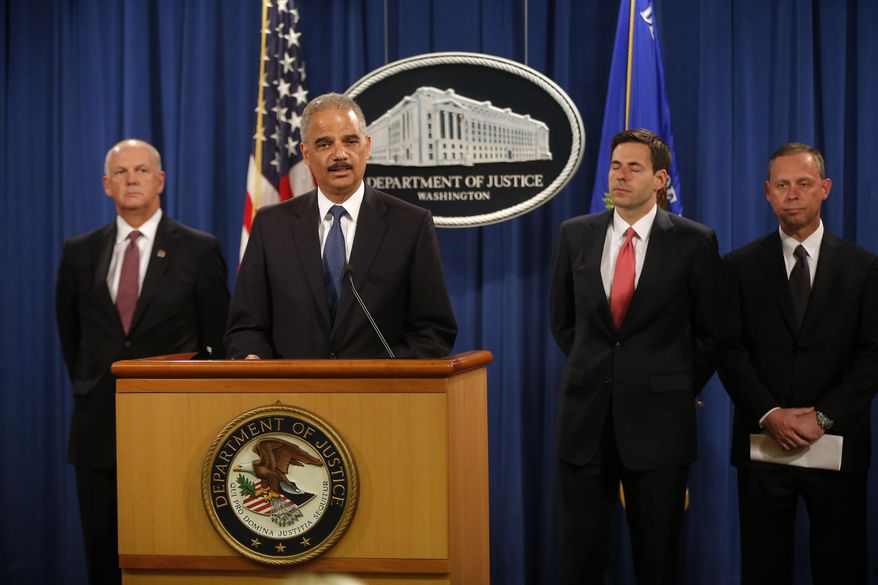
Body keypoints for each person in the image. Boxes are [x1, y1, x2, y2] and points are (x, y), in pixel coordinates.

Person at [549, 129, 726, 585]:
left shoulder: (694, 241)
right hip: (585, 421)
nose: (620, 176)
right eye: (615, 166)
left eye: (634, 168)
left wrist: (673, 384)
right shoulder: (575, 235)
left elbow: (712, 333)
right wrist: (602, 372)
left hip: (659, 425)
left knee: (657, 559)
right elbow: (564, 322)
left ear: (660, 178)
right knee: (581, 558)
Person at [55, 139, 230, 585]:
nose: (131, 179)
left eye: (141, 171)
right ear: (105, 185)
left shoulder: (198, 249)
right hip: (97, 430)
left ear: (160, 181)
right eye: (121, 172)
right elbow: (71, 337)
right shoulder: (78, 252)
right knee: (103, 556)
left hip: (175, 428)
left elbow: (217, 341)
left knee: (172, 553)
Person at [718, 143, 878, 585]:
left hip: (837, 443)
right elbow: (728, 350)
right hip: (763, 444)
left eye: (803, 184)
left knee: (841, 566)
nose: (793, 194)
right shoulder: (738, 267)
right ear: (767, 193)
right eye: (782, 185)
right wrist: (770, 414)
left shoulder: (864, 268)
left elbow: (872, 357)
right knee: (764, 569)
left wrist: (822, 418)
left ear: (824, 189)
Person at [225, 93, 457, 359]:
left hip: (379, 395)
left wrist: (377, 374)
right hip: (290, 395)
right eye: (324, 144)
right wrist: (253, 358)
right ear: (306, 154)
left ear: (367, 147)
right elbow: (245, 327)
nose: (339, 154)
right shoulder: (271, 225)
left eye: (350, 141)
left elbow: (433, 331)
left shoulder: (410, 225)